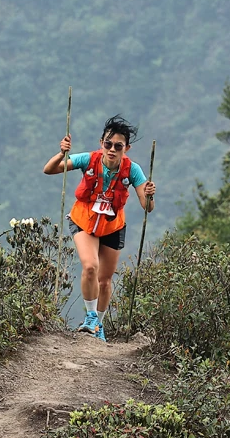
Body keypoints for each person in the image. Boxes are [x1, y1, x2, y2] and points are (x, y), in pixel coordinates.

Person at [43, 115, 156, 341]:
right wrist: (61, 153)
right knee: (90, 267)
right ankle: (91, 317)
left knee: (105, 281)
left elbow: (147, 207)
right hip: (84, 219)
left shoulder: (133, 170)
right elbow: (50, 169)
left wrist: (150, 195)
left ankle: (99, 325)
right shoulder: (88, 159)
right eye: (108, 144)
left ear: (126, 148)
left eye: (118, 146)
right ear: (101, 143)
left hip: (112, 225)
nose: (112, 149)